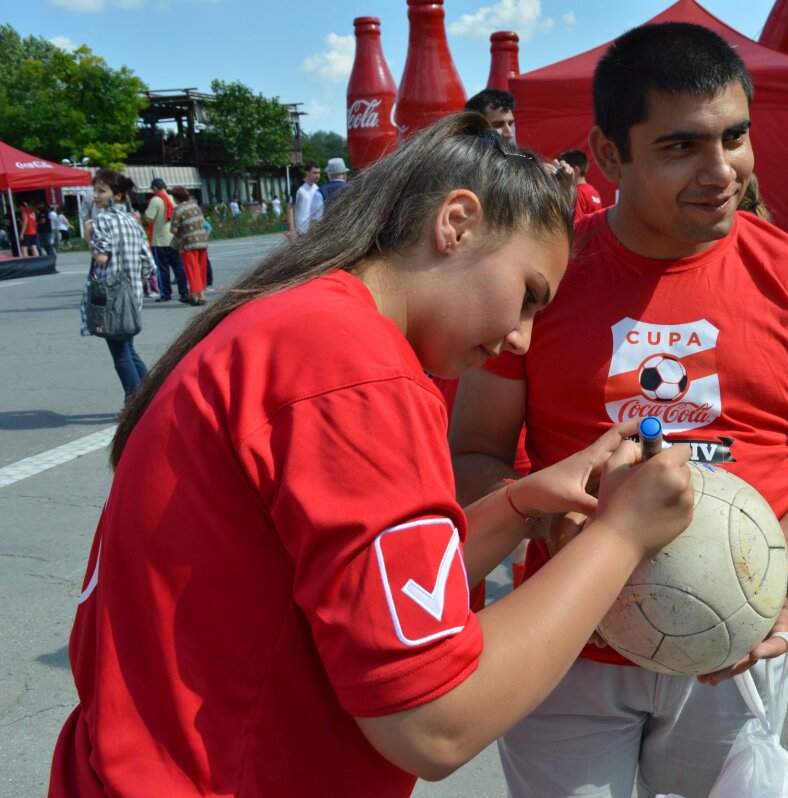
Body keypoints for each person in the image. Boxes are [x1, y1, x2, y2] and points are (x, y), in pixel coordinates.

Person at [49, 114, 696, 798]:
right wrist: (623, 535)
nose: (522, 340)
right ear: (456, 223)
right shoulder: (357, 372)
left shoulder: (297, 320)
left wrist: (518, 505)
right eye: (529, 296)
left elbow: (358, 588)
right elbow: (434, 722)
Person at [450, 24, 788, 798]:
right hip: (564, 643)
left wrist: (782, 556)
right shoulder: (544, 278)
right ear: (609, 154)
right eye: (681, 146)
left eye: (736, 137)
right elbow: (475, 451)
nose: (723, 172)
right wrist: (555, 523)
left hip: (733, 649)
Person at [77, 169, 155, 402]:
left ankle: (134, 402)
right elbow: (148, 264)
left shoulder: (103, 221)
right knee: (127, 348)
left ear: (118, 195)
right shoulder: (132, 222)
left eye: (101, 191)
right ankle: (151, 395)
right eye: (95, 190)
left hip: (110, 299)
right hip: (132, 296)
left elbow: (101, 257)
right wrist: (134, 283)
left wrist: (89, 235)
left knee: (120, 353)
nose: (95, 195)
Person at [145, 177, 188, 303]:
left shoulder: (156, 200)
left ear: (155, 188)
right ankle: (184, 291)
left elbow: (149, 218)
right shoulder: (172, 199)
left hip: (160, 240)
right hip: (174, 239)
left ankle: (166, 294)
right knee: (178, 267)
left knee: (162, 269)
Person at [168, 186, 209, 305]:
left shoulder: (178, 209)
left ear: (176, 198)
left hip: (188, 244)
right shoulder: (195, 205)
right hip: (201, 241)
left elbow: (174, 229)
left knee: (192, 270)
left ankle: (200, 296)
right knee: (200, 269)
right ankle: (194, 294)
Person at [555, 148, 603, 219]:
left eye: (563, 168)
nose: (559, 173)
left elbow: (574, 225)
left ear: (576, 170)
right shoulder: (594, 192)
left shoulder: (576, 193)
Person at [288, 162, 324, 237]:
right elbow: (290, 208)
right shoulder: (297, 187)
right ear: (307, 172)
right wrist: (292, 229)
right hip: (301, 230)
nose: (317, 176)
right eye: (314, 173)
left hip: (316, 230)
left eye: (318, 173)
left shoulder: (319, 188)